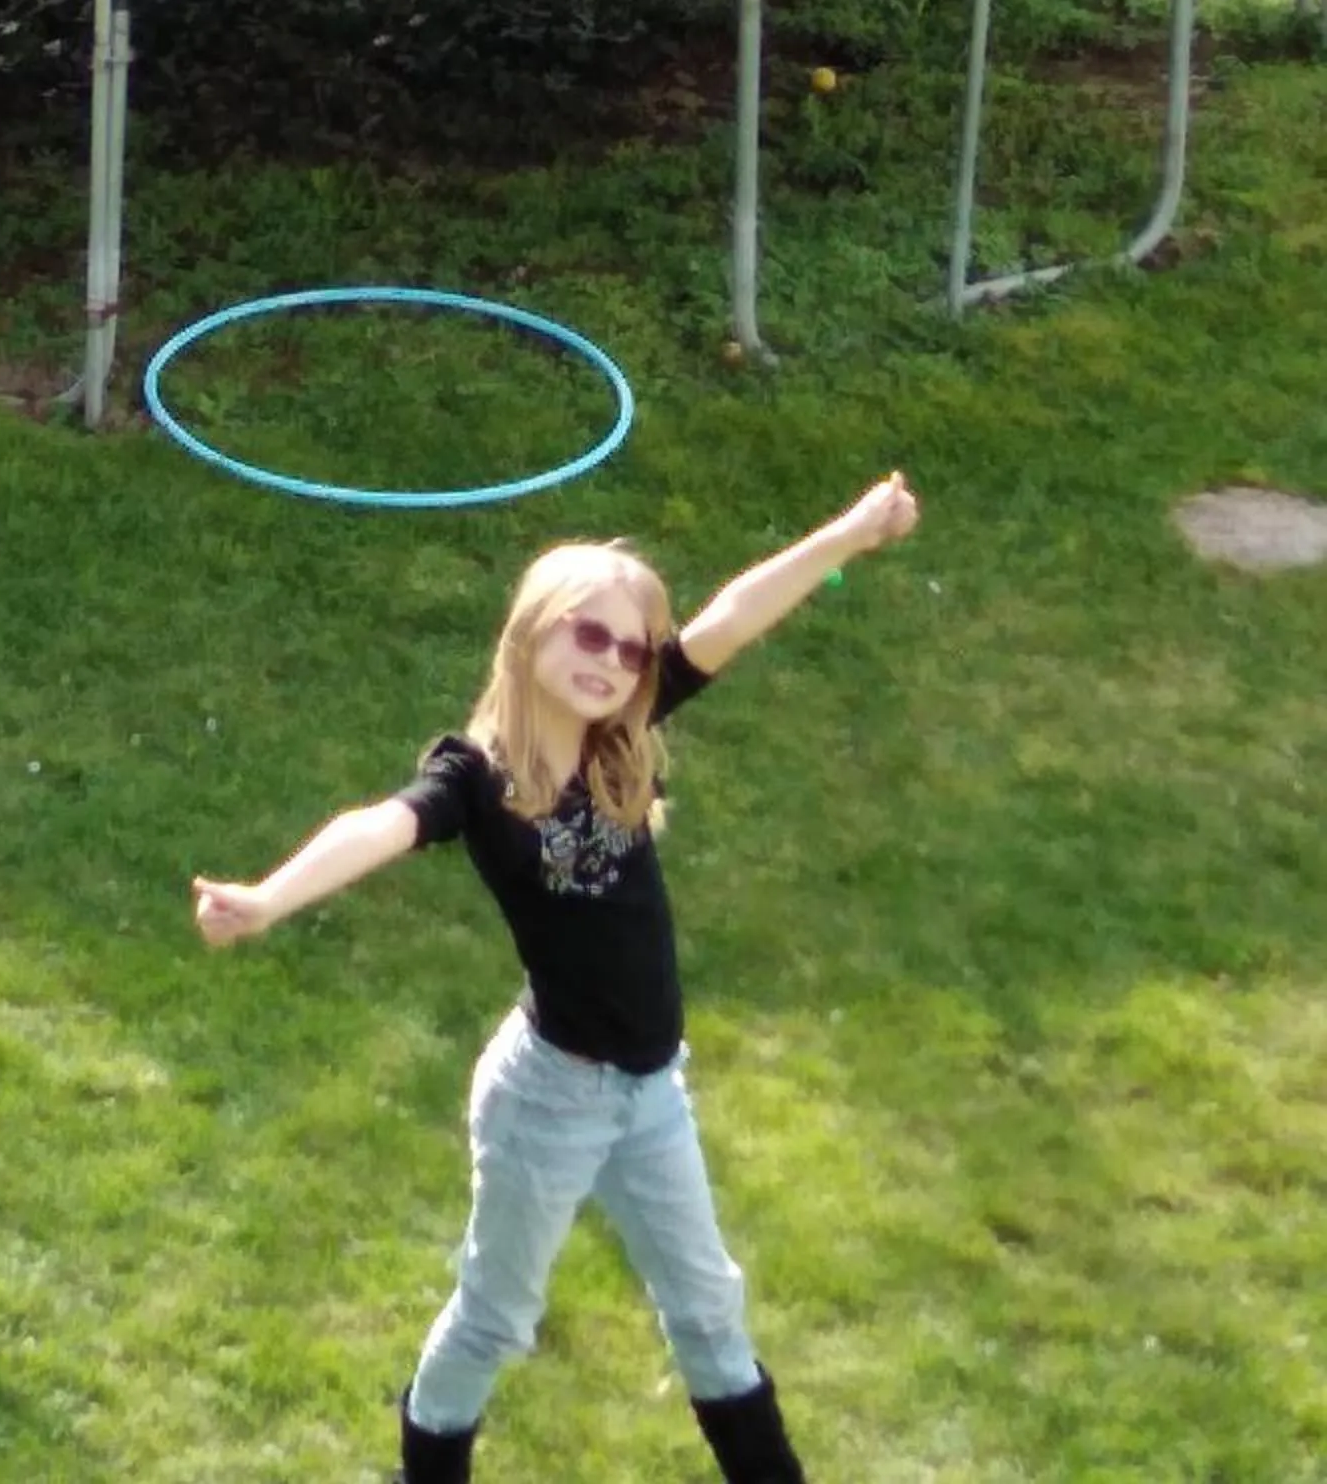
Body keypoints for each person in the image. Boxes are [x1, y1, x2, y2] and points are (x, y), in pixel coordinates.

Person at [192, 475, 921, 1484]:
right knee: (497, 1320)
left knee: (709, 1306)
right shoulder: (478, 778)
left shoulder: (627, 736)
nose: (613, 663)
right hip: (550, 1101)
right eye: (589, 635)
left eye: (630, 649)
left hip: (651, 1089)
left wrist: (849, 532)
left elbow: (735, 616)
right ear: (531, 633)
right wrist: (267, 900)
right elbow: (381, 826)